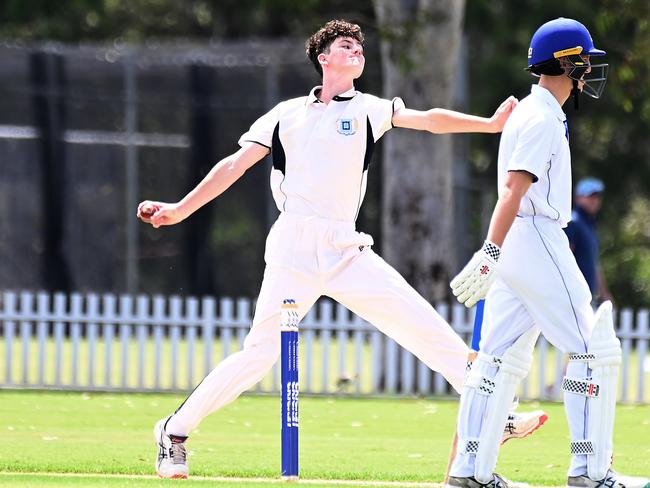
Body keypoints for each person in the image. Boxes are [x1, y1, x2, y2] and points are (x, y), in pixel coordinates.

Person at [139, 19, 542, 480]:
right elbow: (233, 165)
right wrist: (179, 210)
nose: (355, 50)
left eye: (359, 47)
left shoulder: (371, 109)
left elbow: (428, 120)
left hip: (345, 248)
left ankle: (492, 415)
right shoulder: (284, 114)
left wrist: (489, 126)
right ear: (323, 58)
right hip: (293, 248)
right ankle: (173, 432)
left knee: (425, 326)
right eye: (344, 45)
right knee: (259, 355)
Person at [448, 18, 648, 488]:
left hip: (519, 241)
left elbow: (511, 193)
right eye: (585, 63)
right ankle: (591, 472)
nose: (589, 73)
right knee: (594, 347)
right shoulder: (540, 117)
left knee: (497, 358)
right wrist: (488, 250)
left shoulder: (532, 112)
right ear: (568, 63)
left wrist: (497, 253)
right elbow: (515, 189)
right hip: (536, 236)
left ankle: (471, 471)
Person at [564, 177, 613, 304]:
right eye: (590, 196)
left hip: (585, 297)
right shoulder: (573, 222)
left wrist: (605, 295)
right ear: (578, 198)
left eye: (597, 197)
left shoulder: (590, 226)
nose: (594, 200)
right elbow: (564, 258)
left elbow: (594, 265)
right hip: (572, 295)